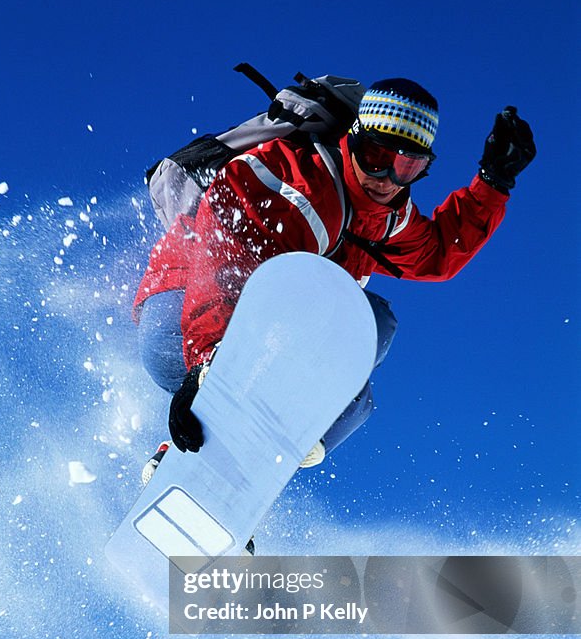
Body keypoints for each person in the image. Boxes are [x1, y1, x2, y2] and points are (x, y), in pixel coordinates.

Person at [133, 78, 535, 482]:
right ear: (355, 138)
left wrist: (494, 181)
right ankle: (209, 444)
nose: (386, 178)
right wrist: (207, 361)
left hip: (249, 334)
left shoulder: (387, 217)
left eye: (407, 166)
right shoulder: (289, 183)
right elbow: (223, 266)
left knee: (371, 328)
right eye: (377, 155)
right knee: (327, 347)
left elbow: (438, 252)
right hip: (181, 313)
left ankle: (232, 477)